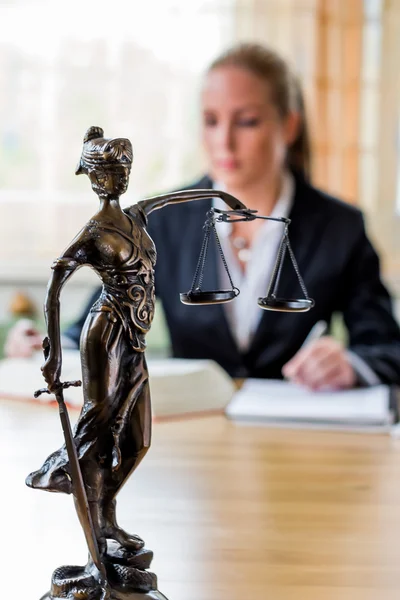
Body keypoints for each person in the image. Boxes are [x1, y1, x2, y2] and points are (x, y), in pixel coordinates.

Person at [6, 43, 400, 389]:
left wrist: (350, 364)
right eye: (211, 121)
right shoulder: (163, 220)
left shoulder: (340, 227)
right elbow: (97, 323)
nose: (223, 141)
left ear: (289, 125)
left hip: (293, 437)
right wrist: (44, 344)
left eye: (246, 121)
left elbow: (387, 347)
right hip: (192, 439)